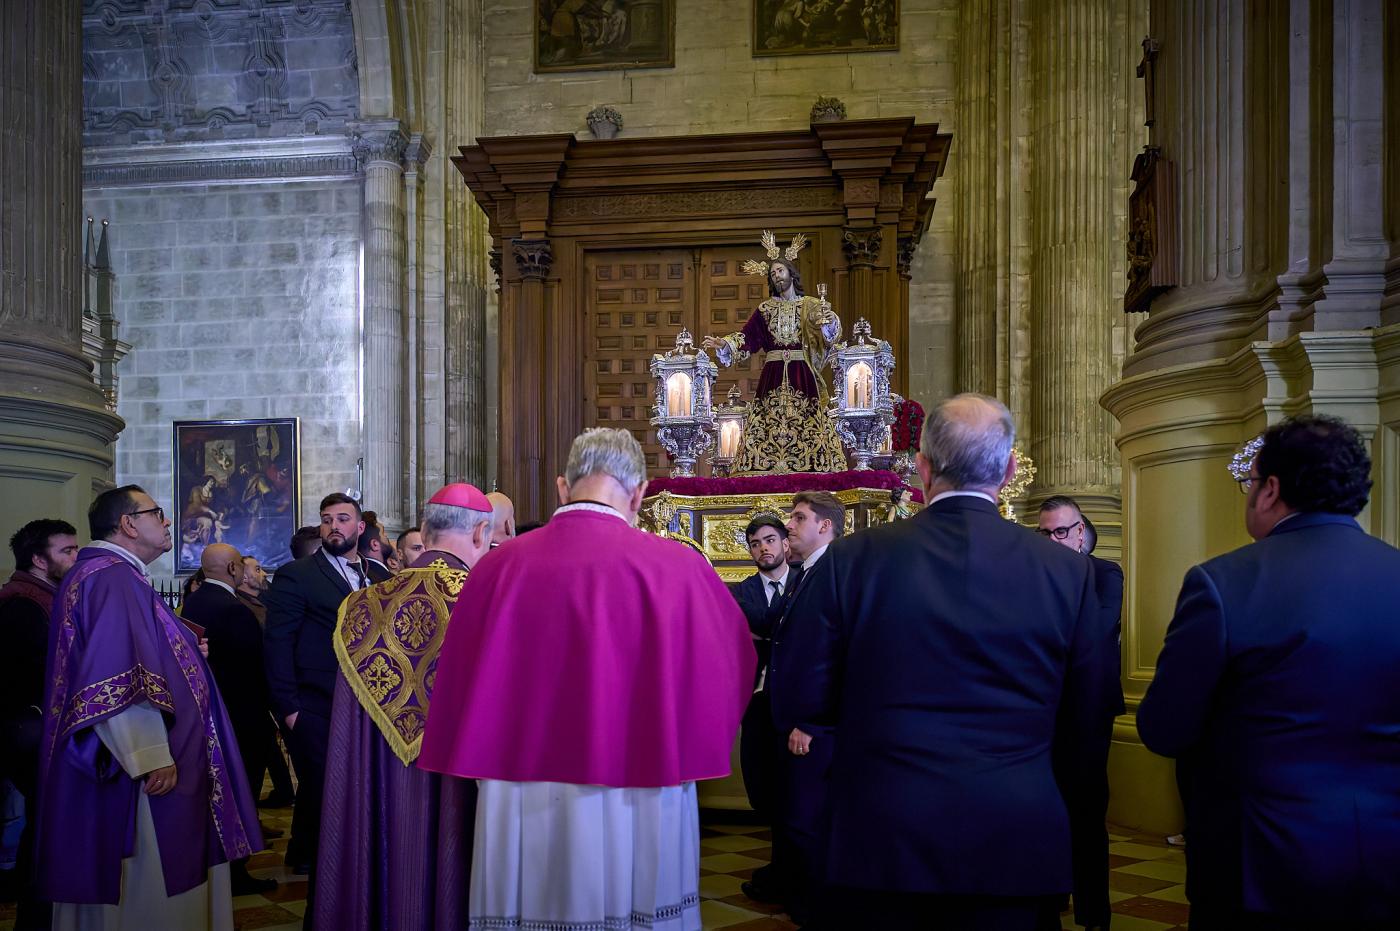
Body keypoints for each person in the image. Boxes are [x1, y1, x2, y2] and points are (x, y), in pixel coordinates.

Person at [773, 394, 1107, 930]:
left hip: (880, 833)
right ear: (1009, 470)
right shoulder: (1068, 572)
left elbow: (798, 694)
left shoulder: (853, 559)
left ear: (923, 469)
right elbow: (1087, 715)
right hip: (1015, 834)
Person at [419, 427, 755, 931]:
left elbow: (463, 677)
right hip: (643, 777)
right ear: (639, 494)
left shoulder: (495, 568)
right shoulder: (680, 568)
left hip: (520, 777)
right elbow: (733, 663)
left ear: (562, 487)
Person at [1137, 415, 1400, 930]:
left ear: (1271, 489)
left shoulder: (1222, 583)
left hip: (1260, 865)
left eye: (1250, 481)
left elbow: (1164, 729)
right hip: (1387, 858)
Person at [35, 486, 263, 929]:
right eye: (157, 513)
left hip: (136, 758)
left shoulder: (108, 574)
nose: (167, 521)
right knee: (150, 887)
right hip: (138, 773)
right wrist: (149, 754)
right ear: (127, 524)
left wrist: (186, 648)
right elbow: (114, 672)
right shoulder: (113, 577)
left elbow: (135, 648)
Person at [314, 483, 495, 931]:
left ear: (426, 532)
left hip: (378, 777)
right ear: (480, 534)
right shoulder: (486, 597)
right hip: (455, 772)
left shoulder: (360, 606)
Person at [264, 493, 391, 884]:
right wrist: (289, 708)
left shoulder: (379, 577)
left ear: (360, 527)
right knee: (322, 788)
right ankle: (324, 875)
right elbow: (278, 643)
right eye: (326, 519)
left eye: (342, 519)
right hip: (315, 703)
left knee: (357, 787)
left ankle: (355, 865)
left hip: (369, 705)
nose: (334, 526)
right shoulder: (298, 574)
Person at [1037, 496, 1126, 931]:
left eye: (1060, 531)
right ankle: (1052, 896)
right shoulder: (1032, 578)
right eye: (1044, 533)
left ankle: (1094, 914)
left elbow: (1096, 631)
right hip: (1042, 710)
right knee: (1044, 811)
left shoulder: (1105, 573)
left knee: (1087, 812)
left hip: (1088, 711)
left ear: (1080, 533)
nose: (1052, 540)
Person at [179, 543, 279, 897]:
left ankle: (222, 868)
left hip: (211, 711)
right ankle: (237, 870)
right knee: (242, 791)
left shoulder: (195, 601)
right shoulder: (234, 609)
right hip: (242, 714)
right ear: (234, 568)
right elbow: (255, 666)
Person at [702, 231, 846, 474]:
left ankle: (812, 466)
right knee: (766, 419)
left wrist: (830, 322)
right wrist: (725, 343)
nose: (777, 275)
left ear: (791, 273)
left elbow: (827, 335)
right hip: (773, 373)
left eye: (780, 270)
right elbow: (748, 338)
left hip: (802, 372)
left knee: (807, 419)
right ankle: (764, 467)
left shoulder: (810, 305)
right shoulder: (765, 309)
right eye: (772, 274)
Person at [770, 490, 844, 925]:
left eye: (799, 518)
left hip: (814, 727)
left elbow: (831, 654)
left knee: (809, 820)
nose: (789, 525)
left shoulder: (831, 572)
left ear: (825, 525)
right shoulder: (806, 572)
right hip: (796, 721)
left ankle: (816, 910)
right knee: (796, 816)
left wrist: (812, 721)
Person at [1, 518, 79, 929]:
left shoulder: (45, 598)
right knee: (43, 829)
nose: (76, 557)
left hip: (36, 728)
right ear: (38, 559)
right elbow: (35, 675)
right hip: (29, 731)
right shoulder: (22, 604)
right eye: (66, 550)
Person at [728, 514, 800, 908]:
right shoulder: (742, 591)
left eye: (770, 540)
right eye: (755, 543)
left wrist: (766, 632)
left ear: (785, 543)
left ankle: (790, 876)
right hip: (757, 705)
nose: (763, 549)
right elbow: (754, 625)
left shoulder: (805, 582)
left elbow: (767, 628)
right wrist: (780, 628)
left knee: (796, 792)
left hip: (796, 704)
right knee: (765, 791)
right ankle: (780, 871)